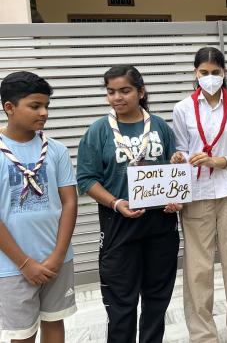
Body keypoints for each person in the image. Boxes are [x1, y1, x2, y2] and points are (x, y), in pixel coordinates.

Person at [77, 65, 181, 343]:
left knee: (157, 298)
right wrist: (115, 202)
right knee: (121, 302)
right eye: (111, 92)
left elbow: (173, 169)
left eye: (124, 91)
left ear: (141, 92)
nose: (117, 98)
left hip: (160, 224)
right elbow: (86, 179)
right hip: (119, 223)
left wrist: (175, 197)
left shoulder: (159, 126)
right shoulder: (98, 131)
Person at [170, 47, 227, 343]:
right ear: (195, 73)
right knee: (198, 268)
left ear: (224, 73)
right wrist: (180, 158)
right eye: (204, 72)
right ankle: (203, 336)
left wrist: (218, 161)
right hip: (196, 194)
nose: (210, 78)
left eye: (215, 72)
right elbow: (181, 149)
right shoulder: (183, 108)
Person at [0, 72, 78, 342]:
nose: (44, 112)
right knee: (22, 334)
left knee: (54, 322)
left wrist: (58, 256)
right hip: (12, 266)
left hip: (57, 259)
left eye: (46, 105)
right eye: (35, 106)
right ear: (9, 107)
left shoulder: (56, 150)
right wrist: (24, 263)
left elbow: (69, 202)